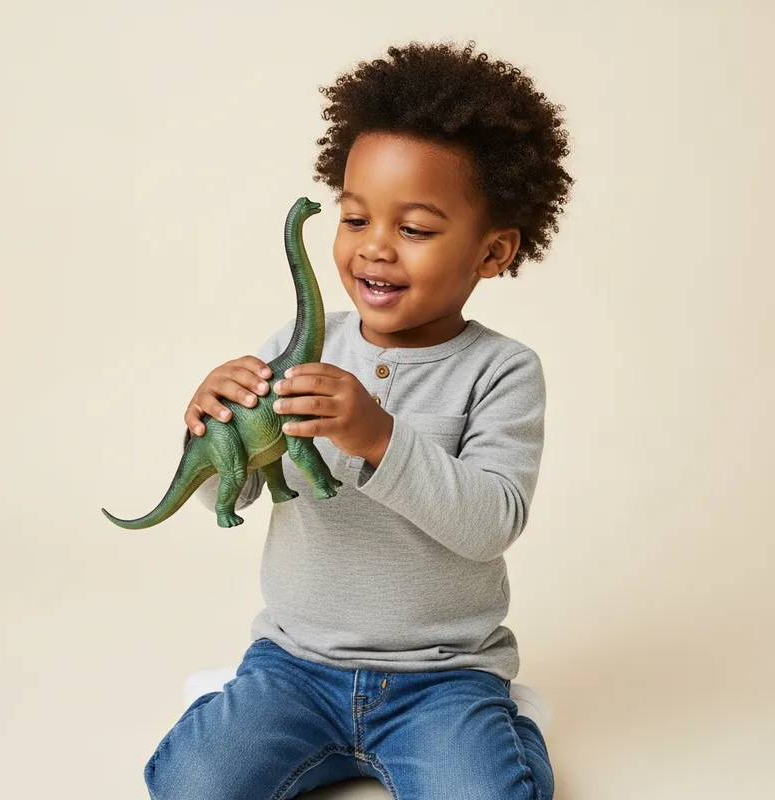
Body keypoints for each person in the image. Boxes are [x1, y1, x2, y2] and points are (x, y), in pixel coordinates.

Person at [144, 39, 573, 800]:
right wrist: (208, 428)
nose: (374, 247)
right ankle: (231, 702)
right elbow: (230, 497)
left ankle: (509, 719)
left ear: (493, 250)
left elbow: (492, 522)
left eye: (414, 229)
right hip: (294, 665)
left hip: (442, 675)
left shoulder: (502, 370)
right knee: (189, 785)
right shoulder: (295, 347)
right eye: (354, 217)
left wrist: (379, 439)